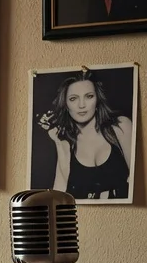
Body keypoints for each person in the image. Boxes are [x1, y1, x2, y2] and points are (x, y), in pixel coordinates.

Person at [38, 70, 132, 200]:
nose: (82, 105)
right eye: (73, 99)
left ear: (97, 100)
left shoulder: (120, 126)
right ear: (65, 104)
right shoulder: (65, 143)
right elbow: (58, 198)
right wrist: (59, 143)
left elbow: (140, 181)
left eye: (89, 96)